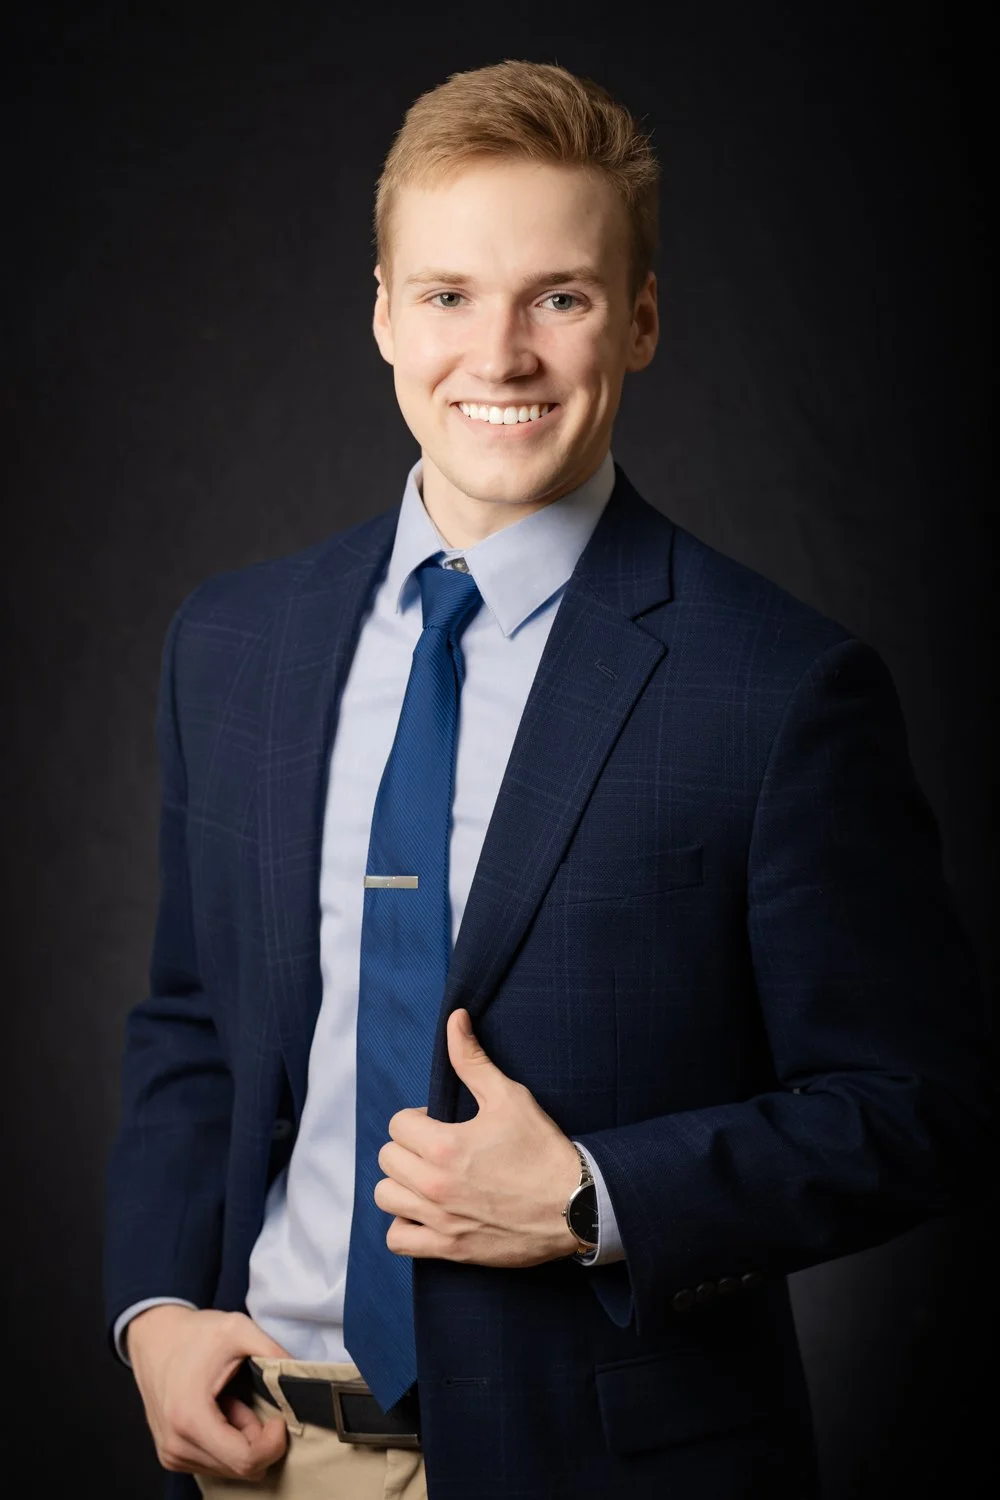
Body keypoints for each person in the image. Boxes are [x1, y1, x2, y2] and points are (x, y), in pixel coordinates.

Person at [103, 59, 990, 1500]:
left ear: (637, 322)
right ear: (384, 310)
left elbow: (921, 1105)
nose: (499, 355)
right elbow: (195, 1020)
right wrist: (149, 1309)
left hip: (611, 1468)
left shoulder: (778, 687)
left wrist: (593, 1200)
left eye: (559, 297)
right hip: (268, 1453)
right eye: (449, 294)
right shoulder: (233, 645)